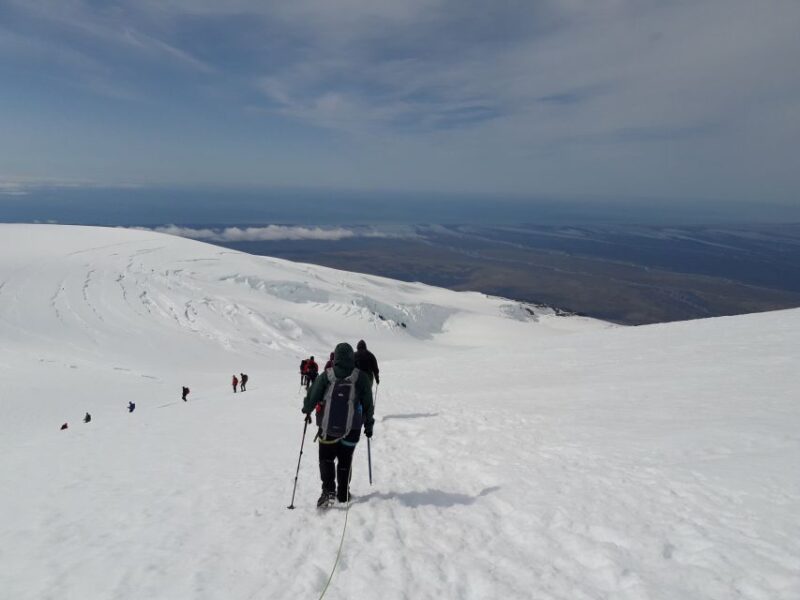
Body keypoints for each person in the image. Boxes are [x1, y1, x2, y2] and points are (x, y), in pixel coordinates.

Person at [303, 343, 374, 507]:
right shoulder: (361, 377)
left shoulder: (326, 376)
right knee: (345, 459)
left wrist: (306, 409)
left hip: (328, 428)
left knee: (326, 458)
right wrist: (368, 425)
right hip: (353, 428)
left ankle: (328, 490)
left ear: (336, 357)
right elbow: (368, 405)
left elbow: (312, 396)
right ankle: (343, 493)